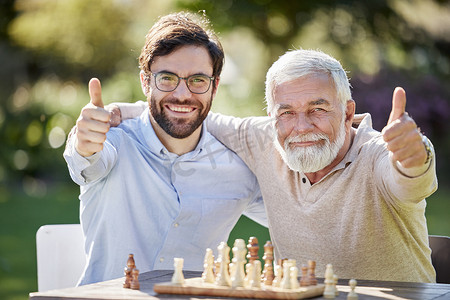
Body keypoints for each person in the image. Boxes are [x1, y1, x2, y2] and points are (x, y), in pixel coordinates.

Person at [116, 49, 437, 282]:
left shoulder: (378, 155)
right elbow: (192, 112)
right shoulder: (262, 138)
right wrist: (122, 110)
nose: (301, 126)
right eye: (286, 112)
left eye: (318, 108)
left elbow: (411, 182)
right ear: (271, 117)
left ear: (347, 111)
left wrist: (413, 155)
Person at [63, 12, 266, 285]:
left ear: (215, 87)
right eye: (167, 78)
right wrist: (84, 142)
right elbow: (86, 160)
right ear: (145, 81)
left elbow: (293, 218)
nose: (183, 94)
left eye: (197, 80)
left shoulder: (237, 168)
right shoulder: (113, 141)